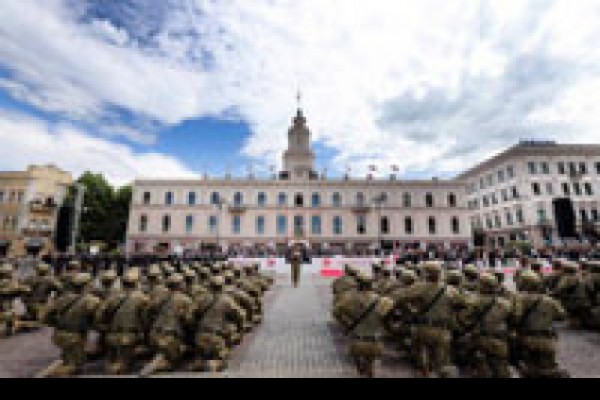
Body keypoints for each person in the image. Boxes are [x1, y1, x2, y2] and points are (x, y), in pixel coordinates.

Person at [399, 262, 466, 378]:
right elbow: (462, 305)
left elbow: (401, 299)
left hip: (422, 328)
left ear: (426, 273)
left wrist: (412, 311)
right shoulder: (450, 290)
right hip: (442, 330)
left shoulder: (418, 287)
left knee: (422, 361)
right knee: (442, 363)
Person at [335, 272, 393, 378]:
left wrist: (348, 323)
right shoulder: (383, 300)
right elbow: (388, 315)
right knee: (371, 367)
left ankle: (362, 370)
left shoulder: (349, 299)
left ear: (358, 284)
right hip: (376, 342)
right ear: (371, 285)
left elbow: (337, 312)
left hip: (357, 341)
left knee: (360, 367)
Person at [514, 271, 569, 378]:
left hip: (525, 340)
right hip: (547, 341)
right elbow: (562, 316)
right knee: (548, 367)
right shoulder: (550, 300)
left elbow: (514, 318)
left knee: (528, 367)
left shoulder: (518, 299)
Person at [44, 273, 100, 377]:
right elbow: (99, 319)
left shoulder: (62, 298)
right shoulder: (92, 300)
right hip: (75, 337)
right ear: (87, 285)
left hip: (58, 334)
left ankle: (66, 362)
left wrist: (56, 324)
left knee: (69, 356)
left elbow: (45, 316)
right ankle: (53, 374)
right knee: (76, 366)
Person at [96, 269, 149, 375]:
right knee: (123, 367)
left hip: (111, 336)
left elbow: (99, 315)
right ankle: (117, 366)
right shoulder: (142, 298)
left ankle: (111, 362)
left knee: (113, 358)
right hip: (128, 337)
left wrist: (103, 328)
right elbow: (146, 320)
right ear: (136, 283)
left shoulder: (112, 297)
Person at [141, 274, 195, 377]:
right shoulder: (186, 300)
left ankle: (154, 357)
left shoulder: (159, 297)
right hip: (169, 337)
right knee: (174, 361)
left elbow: (147, 312)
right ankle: (156, 364)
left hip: (153, 334)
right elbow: (189, 321)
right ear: (180, 285)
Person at [192, 276, 246, 372]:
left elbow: (193, 315)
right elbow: (240, 316)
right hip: (215, 337)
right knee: (223, 358)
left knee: (201, 353)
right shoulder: (226, 300)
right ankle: (212, 364)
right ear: (222, 286)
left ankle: (199, 361)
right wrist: (240, 330)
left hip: (199, 336)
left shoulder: (202, 299)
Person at [466, 273, 514, 378]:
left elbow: (466, 320)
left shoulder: (473, 301)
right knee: (501, 370)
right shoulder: (506, 304)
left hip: (479, 340)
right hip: (499, 340)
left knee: (481, 371)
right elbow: (513, 320)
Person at [21, 263, 62, 331]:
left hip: (27, 303)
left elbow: (21, 288)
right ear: (46, 271)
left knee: (34, 317)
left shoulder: (29, 278)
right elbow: (60, 288)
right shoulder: (49, 280)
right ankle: (24, 324)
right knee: (40, 323)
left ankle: (28, 319)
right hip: (40, 305)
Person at [0, 263, 30, 337]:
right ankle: (12, 324)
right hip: (5, 302)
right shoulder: (4, 281)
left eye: (10, 272)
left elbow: (25, 288)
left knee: (17, 304)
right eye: (8, 272)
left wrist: (20, 288)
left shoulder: (13, 280)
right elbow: (6, 291)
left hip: (11, 301)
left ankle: (14, 323)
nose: (10, 273)